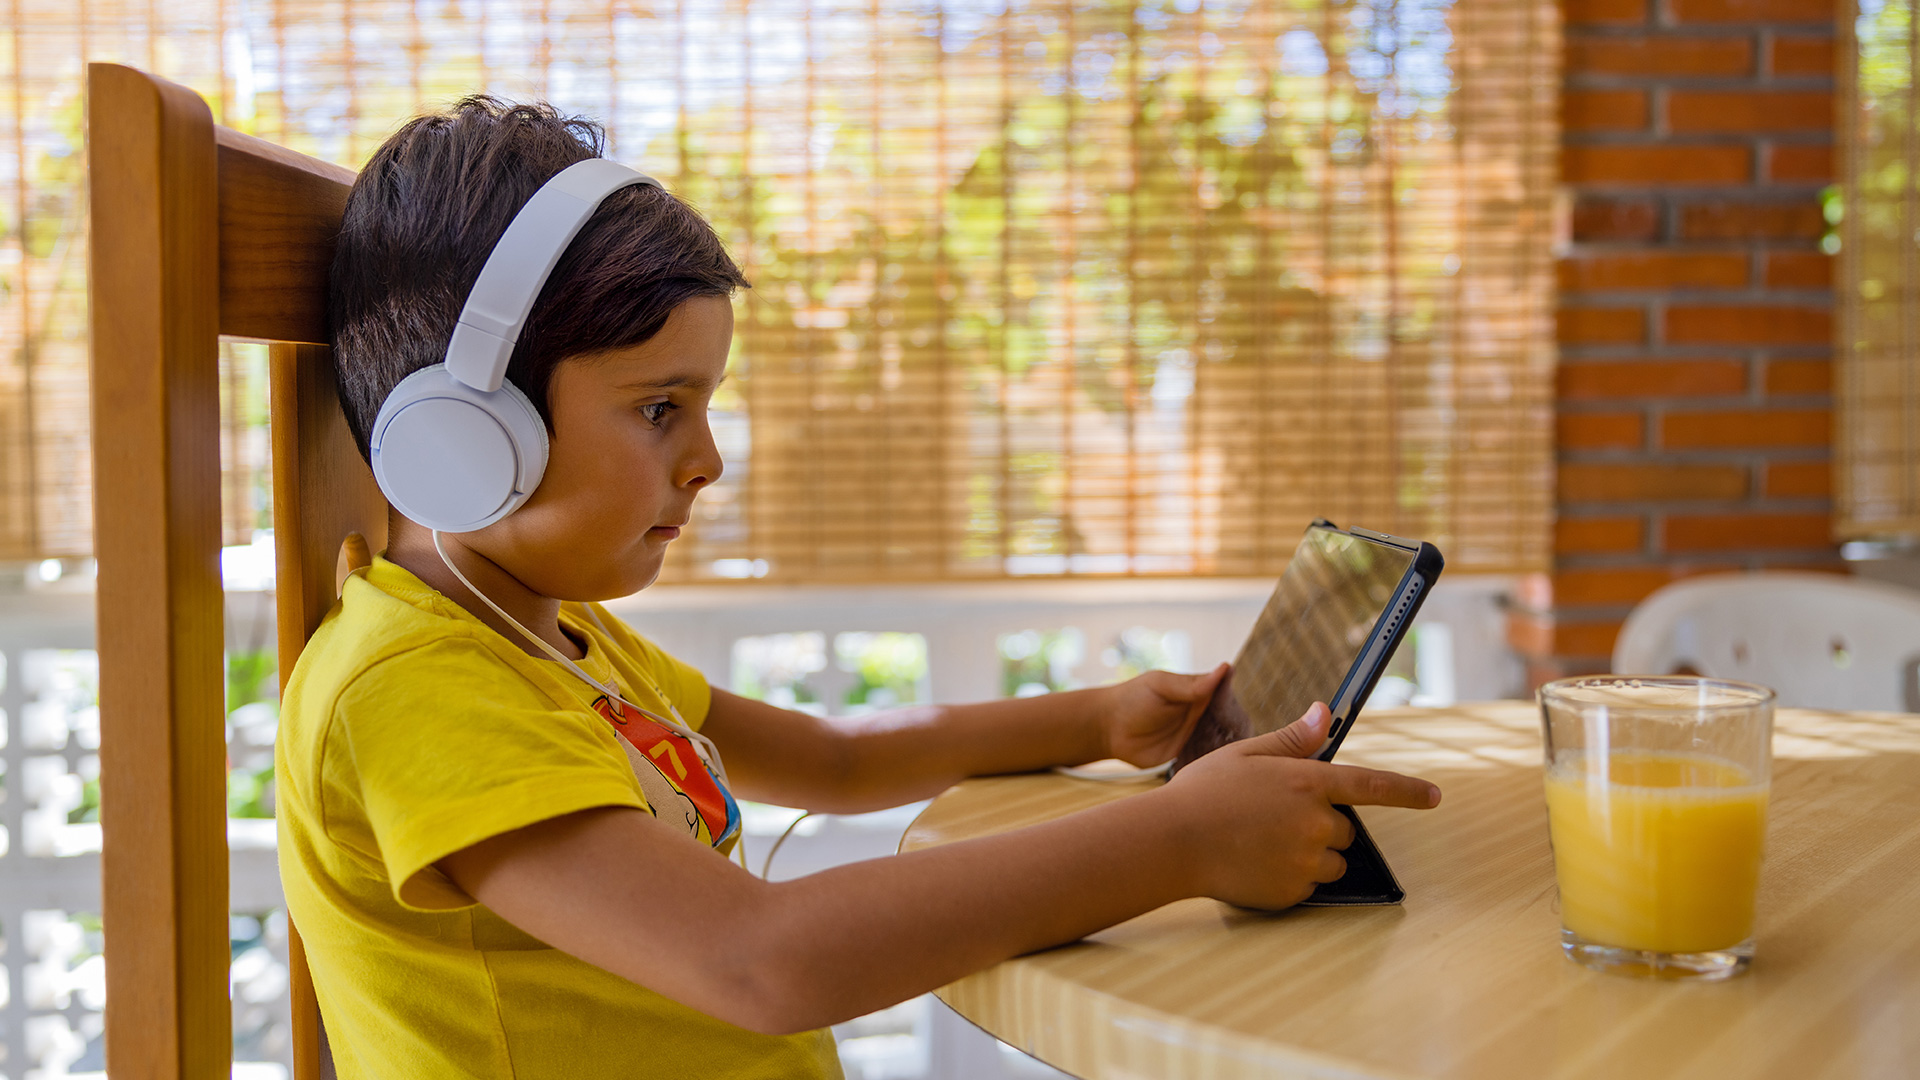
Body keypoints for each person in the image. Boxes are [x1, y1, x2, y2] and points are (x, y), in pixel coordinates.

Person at [276, 96, 1443, 1080]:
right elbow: (760, 960)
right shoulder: (417, 688)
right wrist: (1178, 843)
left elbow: (833, 761)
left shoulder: (548, 636)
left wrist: (1097, 722)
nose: (708, 457)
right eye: (658, 408)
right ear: (471, 436)